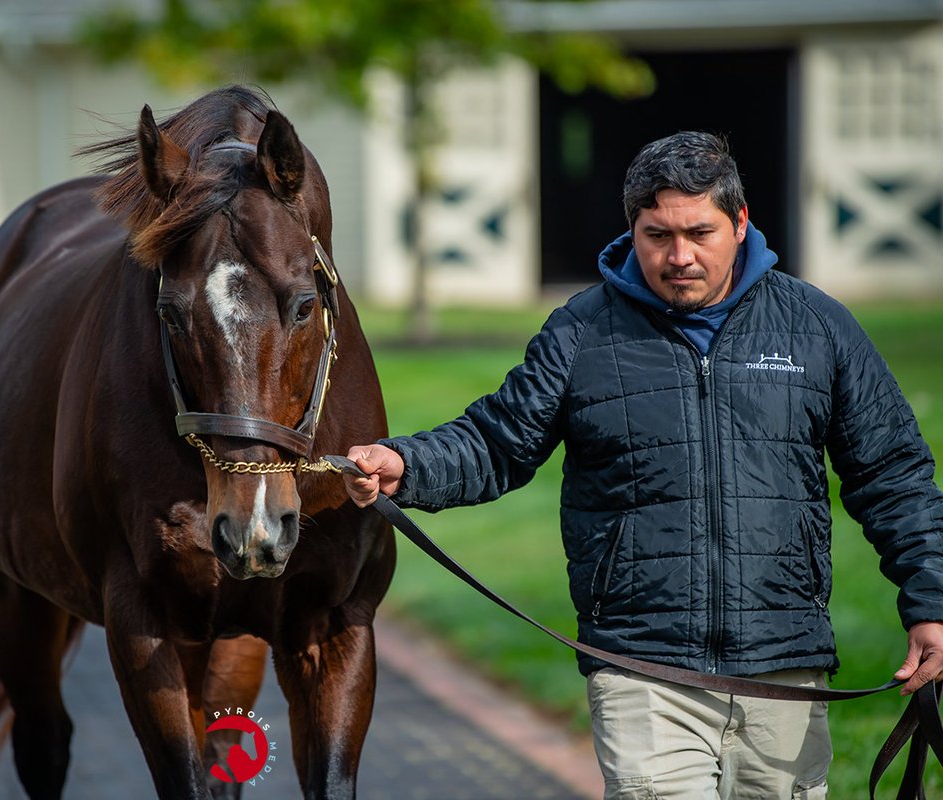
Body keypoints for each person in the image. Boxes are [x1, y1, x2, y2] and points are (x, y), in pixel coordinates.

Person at [343, 131, 943, 798]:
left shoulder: (817, 326)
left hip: (786, 668)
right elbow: (496, 441)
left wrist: (932, 603)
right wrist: (405, 462)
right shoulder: (581, 331)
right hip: (640, 667)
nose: (678, 255)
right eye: (657, 235)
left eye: (700, 232)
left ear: (741, 223)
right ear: (633, 228)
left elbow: (895, 477)